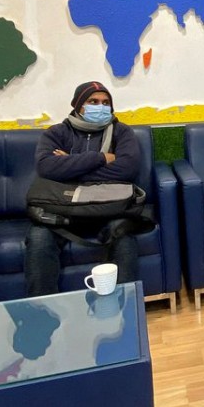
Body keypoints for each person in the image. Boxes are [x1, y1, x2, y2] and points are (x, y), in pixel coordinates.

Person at [25, 81, 141, 297]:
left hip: (108, 209)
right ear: (79, 105)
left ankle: (126, 310)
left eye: (106, 103)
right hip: (62, 210)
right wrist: (101, 158)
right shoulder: (56, 133)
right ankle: (42, 314)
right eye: (93, 101)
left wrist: (69, 166)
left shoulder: (121, 132)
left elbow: (127, 169)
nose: (101, 107)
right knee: (39, 238)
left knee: (124, 235)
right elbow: (46, 167)